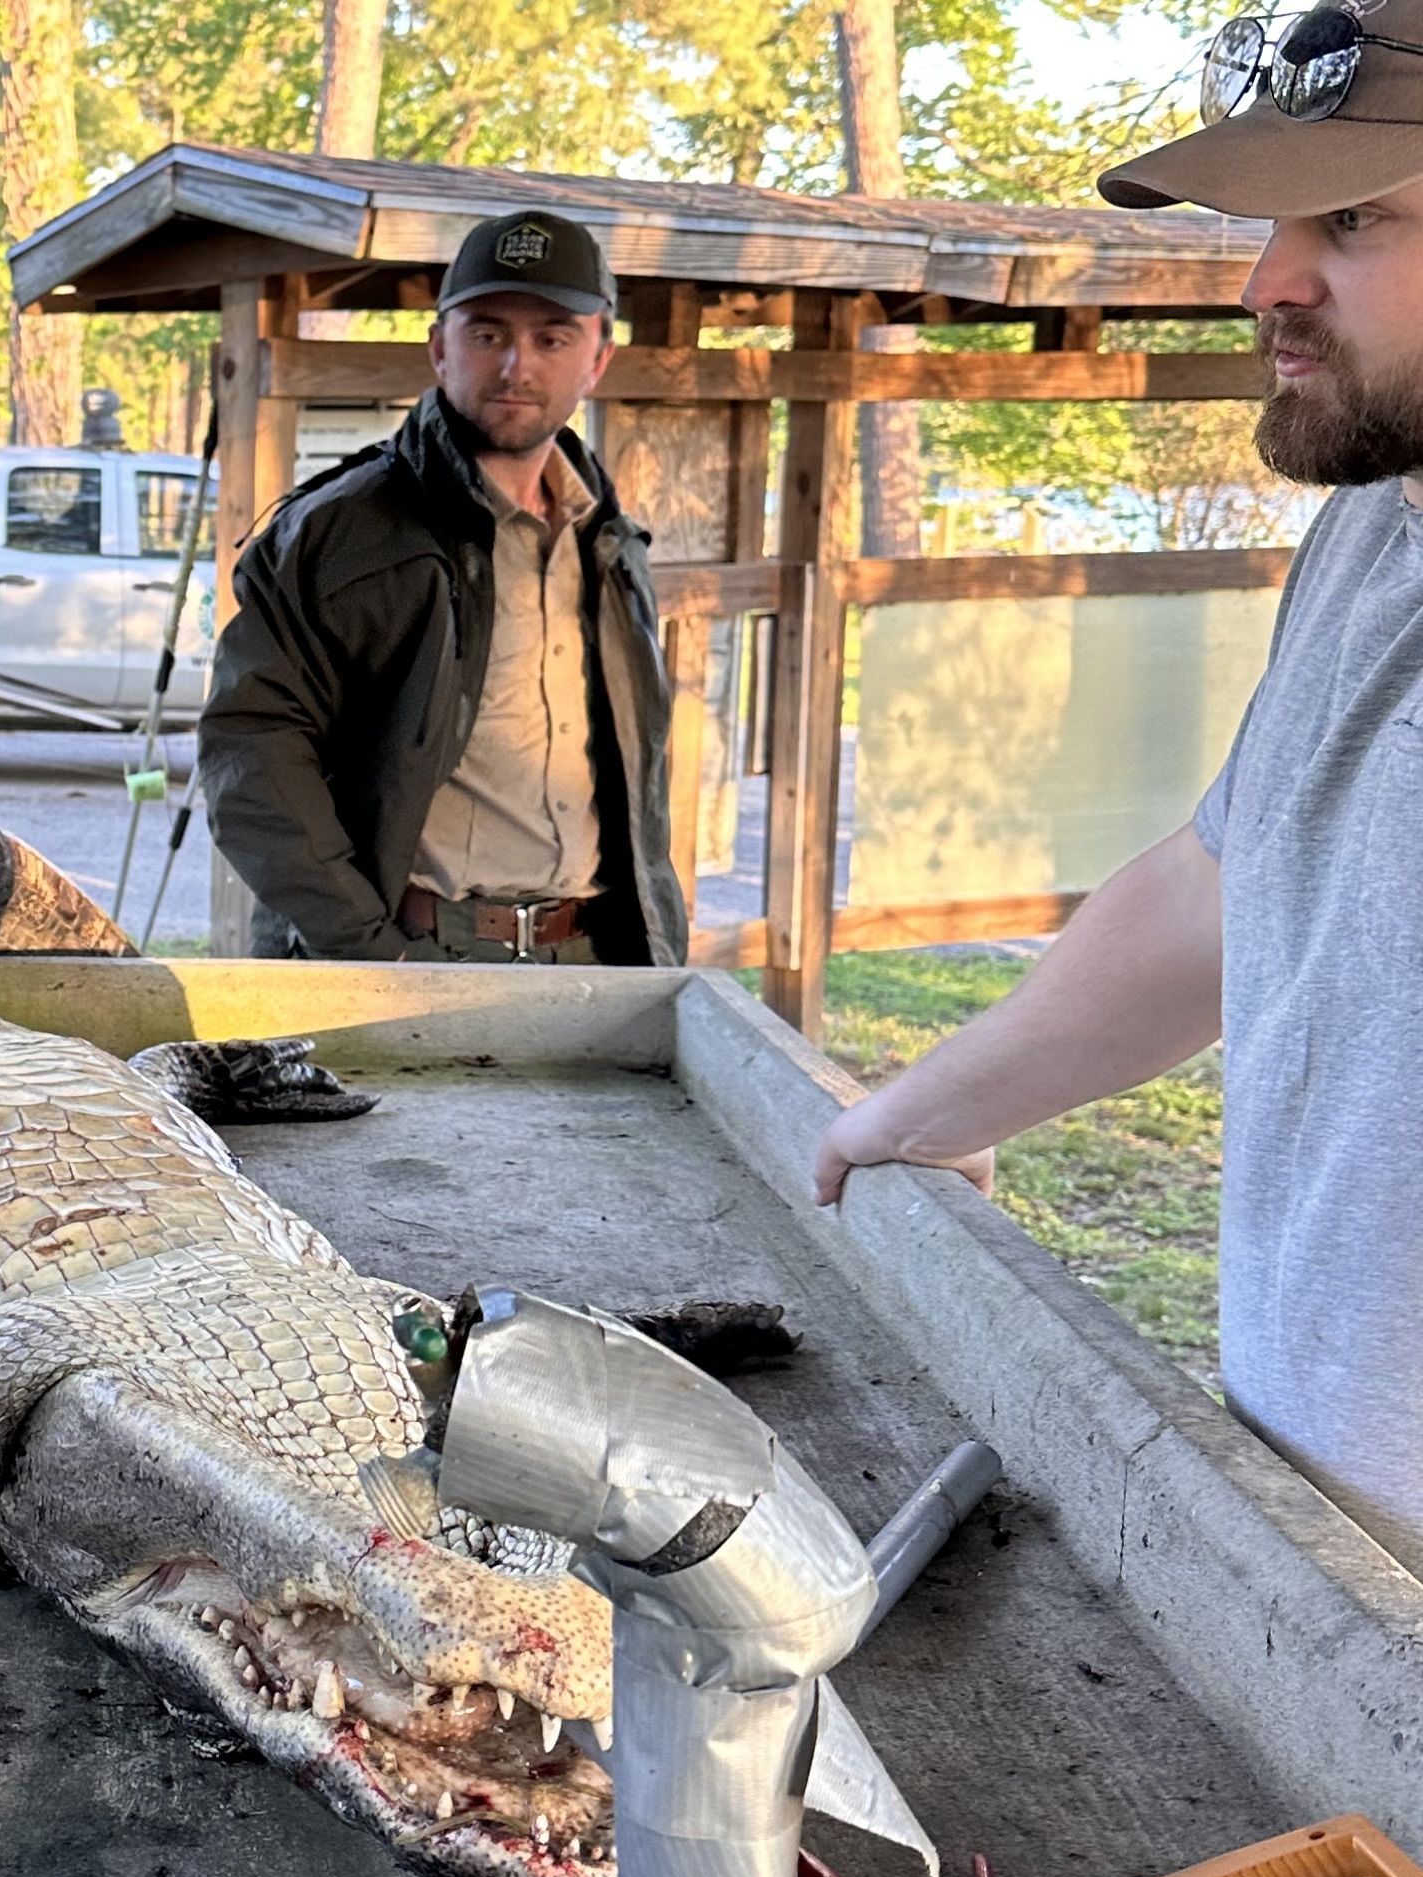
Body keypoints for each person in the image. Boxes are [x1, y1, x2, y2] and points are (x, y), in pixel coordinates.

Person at [817, 9, 1423, 1564]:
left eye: (1351, 219)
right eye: (1277, 221)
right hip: (1312, 1547)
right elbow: (1222, 891)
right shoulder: (1371, 534)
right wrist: (918, 1110)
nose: (1265, 283)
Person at [197, 208, 687, 966]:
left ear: (597, 359)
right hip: (417, 954)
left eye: (551, 337)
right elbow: (251, 747)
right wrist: (367, 951)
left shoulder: (611, 541)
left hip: (594, 958)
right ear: (438, 347)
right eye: (486, 333)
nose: (515, 366)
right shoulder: (341, 531)